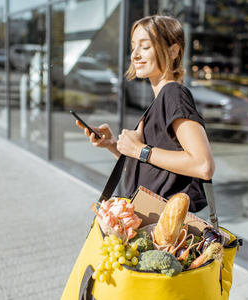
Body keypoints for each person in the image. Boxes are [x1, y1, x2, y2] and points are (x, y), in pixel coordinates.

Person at [76, 15, 215, 213]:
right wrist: (114, 146)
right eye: (134, 47)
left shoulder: (173, 94)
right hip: (152, 222)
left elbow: (203, 165)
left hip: (163, 228)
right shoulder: (161, 99)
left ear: (173, 51)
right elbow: (153, 172)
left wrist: (140, 150)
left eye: (145, 46)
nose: (135, 55)